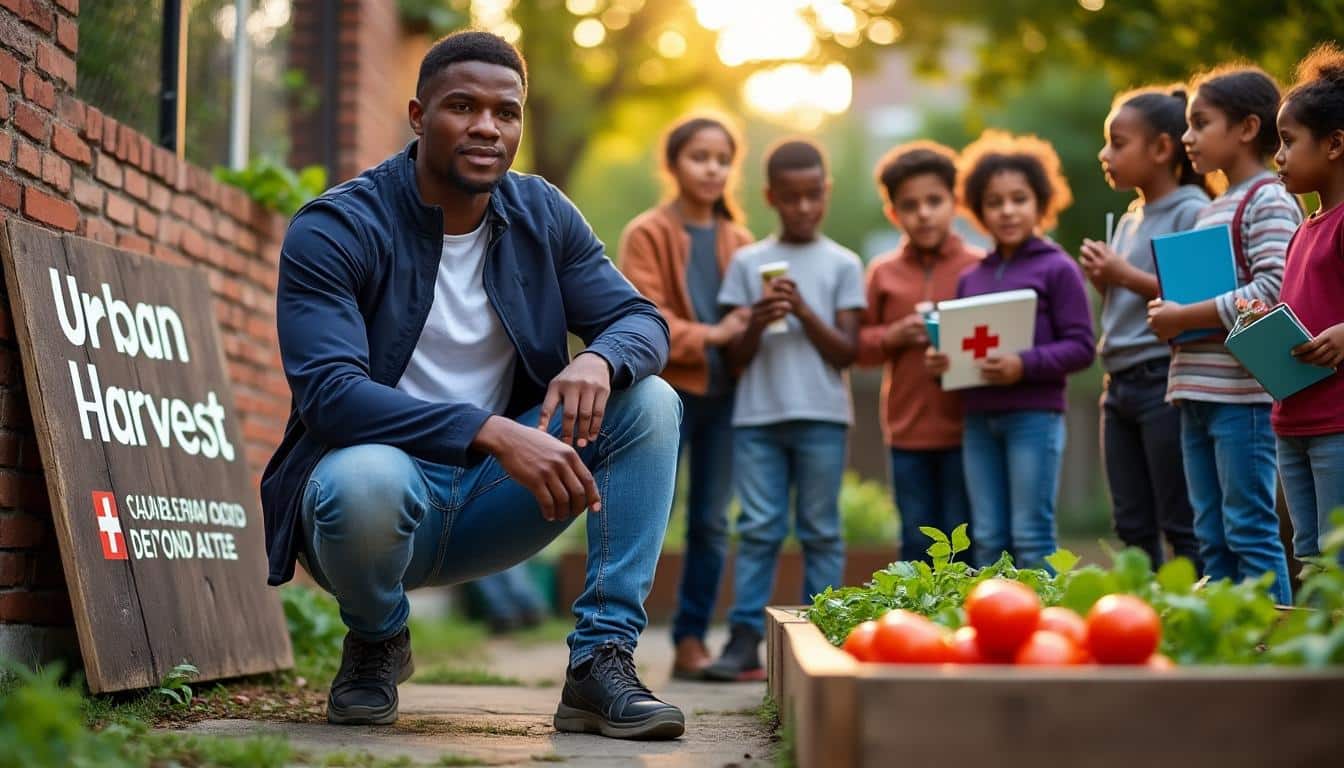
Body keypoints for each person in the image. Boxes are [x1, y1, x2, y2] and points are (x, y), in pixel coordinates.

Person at [262, 31, 687, 739]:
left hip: (499, 498)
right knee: (365, 480)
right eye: (462, 106)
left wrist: (600, 360)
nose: (487, 126)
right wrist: (489, 430)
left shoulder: (542, 215)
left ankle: (599, 662)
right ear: (418, 114)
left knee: (649, 401)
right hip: (380, 500)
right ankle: (376, 639)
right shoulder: (338, 226)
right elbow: (330, 395)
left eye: (506, 112)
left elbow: (641, 321)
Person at [705, 138, 866, 681]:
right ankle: (743, 638)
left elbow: (847, 351)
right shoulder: (749, 263)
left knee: (820, 529)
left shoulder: (844, 263)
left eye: (813, 195)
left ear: (826, 193)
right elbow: (733, 362)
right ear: (771, 196)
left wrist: (802, 311)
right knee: (759, 528)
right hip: (758, 418)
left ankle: (825, 629)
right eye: (791, 197)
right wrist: (756, 318)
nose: (802, 207)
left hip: (822, 415)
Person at [1146, 65, 1301, 604]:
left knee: (1249, 531)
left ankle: (1271, 649)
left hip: (1242, 397)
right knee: (1211, 536)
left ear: (1247, 128)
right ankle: (1227, 651)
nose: (1187, 137)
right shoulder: (1210, 208)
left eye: (1200, 123)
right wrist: (1171, 314)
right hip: (1193, 390)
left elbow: (1274, 291)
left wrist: (1183, 316)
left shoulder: (1269, 199)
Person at [618, 115, 753, 680]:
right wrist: (715, 335)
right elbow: (647, 318)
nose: (712, 169)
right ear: (673, 164)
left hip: (727, 398)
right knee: (652, 516)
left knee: (711, 523)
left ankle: (691, 640)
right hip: (667, 396)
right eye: (699, 157)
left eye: (722, 159)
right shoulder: (646, 233)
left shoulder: (741, 241)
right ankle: (617, 639)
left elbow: (750, 320)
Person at [926, 131, 1096, 570]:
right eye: (994, 201)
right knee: (986, 537)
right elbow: (966, 345)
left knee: (1031, 534)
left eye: (1018, 198)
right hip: (978, 419)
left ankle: (1042, 631)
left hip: (1033, 418)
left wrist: (1023, 364)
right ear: (979, 211)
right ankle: (991, 630)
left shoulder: (1058, 268)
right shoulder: (971, 277)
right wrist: (944, 361)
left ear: (1041, 202)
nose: (1007, 211)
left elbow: (1082, 348)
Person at [1080, 86, 1209, 571]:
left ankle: (1192, 620)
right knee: (1130, 525)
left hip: (1163, 380)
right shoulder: (1130, 218)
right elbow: (1130, 299)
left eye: (1118, 142)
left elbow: (1194, 296)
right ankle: (1140, 620)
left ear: (1161, 149)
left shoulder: (1191, 209)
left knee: (1180, 519)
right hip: (1119, 385)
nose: (1105, 154)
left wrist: (1122, 275)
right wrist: (1105, 280)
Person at [857, 141, 981, 563]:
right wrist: (894, 335)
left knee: (965, 541)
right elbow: (860, 349)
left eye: (934, 201)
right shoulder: (883, 273)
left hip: (970, 429)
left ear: (955, 203)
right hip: (907, 431)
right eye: (910, 205)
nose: (924, 213)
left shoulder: (979, 267)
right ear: (894, 214)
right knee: (915, 541)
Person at [1272, 43, 1344, 563]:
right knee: (1308, 554)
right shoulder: (1303, 230)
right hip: (1290, 420)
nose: (1279, 156)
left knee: (1336, 554)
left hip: (1336, 422)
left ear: (1335, 144)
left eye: (1288, 141)